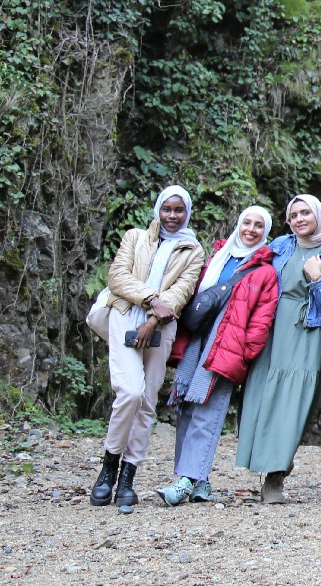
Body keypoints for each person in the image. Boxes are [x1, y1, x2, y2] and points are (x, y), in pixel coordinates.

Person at [91, 186, 206, 513]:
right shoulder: (135, 237)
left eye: (179, 210)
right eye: (167, 209)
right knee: (129, 391)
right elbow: (118, 277)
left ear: (187, 212)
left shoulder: (193, 250)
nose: (172, 215)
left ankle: (128, 477)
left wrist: (154, 319)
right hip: (125, 316)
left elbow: (182, 291)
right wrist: (152, 300)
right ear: (158, 209)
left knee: (145, 402)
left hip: (162, 330)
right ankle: (109, 465)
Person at [158, 206, 279, 507]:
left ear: (266, 232)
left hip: (227, 349)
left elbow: (261, 322)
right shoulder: (218, 258)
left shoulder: (265, 272)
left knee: (207, 412)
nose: (251, 229)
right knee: (187, 408)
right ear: (238, 225)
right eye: (247, 222)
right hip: (199, 343)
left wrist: (242, 354)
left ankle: (185, 480)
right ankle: (199, 480)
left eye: (258, 225)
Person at [237, 194, 321, 504]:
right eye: (293, 214)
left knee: (295, 401)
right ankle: (261, 463)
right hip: (271, 326)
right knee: (262, 393)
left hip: (309, 329)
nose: (299, 219)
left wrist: (318, 278)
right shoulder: (281, 245)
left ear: (318, 215)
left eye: (305, 212)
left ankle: (276, 475)